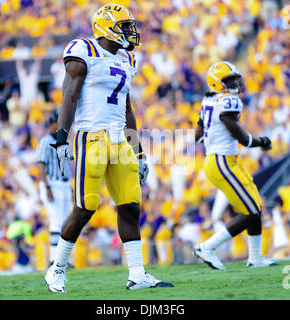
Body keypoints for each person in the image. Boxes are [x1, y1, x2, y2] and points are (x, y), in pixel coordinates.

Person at [45, 4, 173, 293]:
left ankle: (137, 275)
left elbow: (128, 109)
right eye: (124, 26)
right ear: (106, 27)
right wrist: (62, 139)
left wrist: (138, 150)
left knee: (130, 206)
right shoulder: (83, 51)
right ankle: (57, 268)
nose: (130, 32)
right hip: (91, 138)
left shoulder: (128, 58)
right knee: (85, 208)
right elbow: (69, 96)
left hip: (120, 139)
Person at [193, 61, 278, 269]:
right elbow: (241, 136)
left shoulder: (209, 100)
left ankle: (256, 259)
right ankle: (207, 247)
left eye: (235, 79)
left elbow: (197, 136)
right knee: (249, 212)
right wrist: (261, 142)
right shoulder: (227, 102)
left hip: (226, 160)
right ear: (216, 83)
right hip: (222, 161)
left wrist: (211, 136)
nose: (234, 83)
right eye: (229, 80)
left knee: (255, 207)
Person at [36, 110, 72, 266]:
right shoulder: (45, 141)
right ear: (51, 124)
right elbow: (40, 164)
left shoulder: (63, 140)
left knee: (64, 223)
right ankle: (53, 260)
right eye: (57, 123)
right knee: (56, 222)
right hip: (52, 184)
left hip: (64, 184)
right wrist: (47, 187)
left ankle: (61, 260)